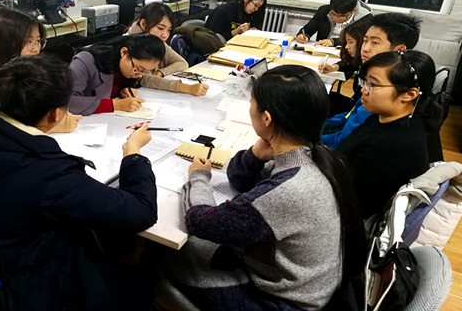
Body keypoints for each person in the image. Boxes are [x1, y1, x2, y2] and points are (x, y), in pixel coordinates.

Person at [0, 54, 158, 311]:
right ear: (55, 113)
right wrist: (133, 154)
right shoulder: (47, 173)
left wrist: (45, 128)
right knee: (141, 283)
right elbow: (140, 212)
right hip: (21, 284)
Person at [155, 65, 366, 310]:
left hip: (283, 300)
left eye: (251, 104)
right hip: (300, 281)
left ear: (266, 118)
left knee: (161, 257)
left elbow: (200, 221)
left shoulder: (291, 188)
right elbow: (240, 180)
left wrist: (198, 177)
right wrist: (255, 155)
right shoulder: (316, 156)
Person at [337, 50, 443, 219]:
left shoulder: (392, 146)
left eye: (373, 85)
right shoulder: (386, 117)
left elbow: (350, 202)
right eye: (365, 81)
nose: (364, 90)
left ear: (409, 94)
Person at [322, 12, 421, 149]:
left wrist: (312, 136)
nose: (365, 48)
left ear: (399, 50)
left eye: (375, 42)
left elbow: (343, 142)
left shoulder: (382, 93)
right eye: (365, 40)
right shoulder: (372, 77)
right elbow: (350, 115)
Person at [68, 33, 166, 116]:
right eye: (138, 69)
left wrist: (122, 90)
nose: (140, 75)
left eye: (146, 71)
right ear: (124, 52)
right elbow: (68, 101)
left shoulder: (126, 69)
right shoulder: (86, 60)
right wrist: (116, 104)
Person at [126, 2, 208, 96]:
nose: (165, 35)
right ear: (143, 24)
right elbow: (144, 79)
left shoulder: (156, 41)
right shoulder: (132, 44)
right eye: (160, 28)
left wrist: (160, 72)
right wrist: (186, 88)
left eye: (169, 30)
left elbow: (182, 63)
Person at [296, 0, 371, 47]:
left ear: (354, 10)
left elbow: (359, 40)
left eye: (343, 16)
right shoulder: (324, 11)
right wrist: (303, 35)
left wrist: (333, 42)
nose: (337, 18)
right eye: (333, 14)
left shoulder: (365, 19)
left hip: (348, 54)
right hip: (321, 50)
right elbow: (308, 29)